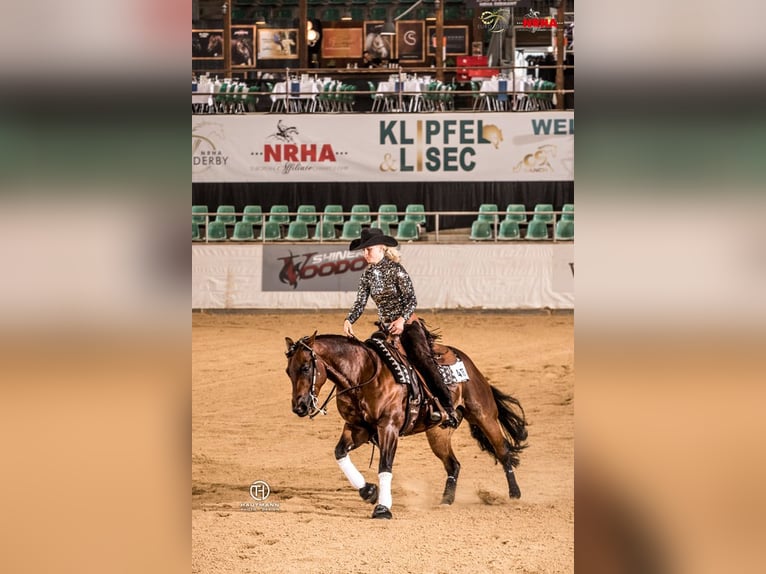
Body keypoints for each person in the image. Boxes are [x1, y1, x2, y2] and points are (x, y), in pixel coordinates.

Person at [343, 228, 459, 428]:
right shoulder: (367, 275)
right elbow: (360, 302)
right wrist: (349, 319)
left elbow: (411, 300)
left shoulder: (397, 270)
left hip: (408, 325)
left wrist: (401, 320)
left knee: (421, 358)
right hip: (386, 328)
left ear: (381, 249)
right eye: (363, 251)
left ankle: (447, 407)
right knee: (371, 356)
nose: (365, 254)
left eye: (368, 249)